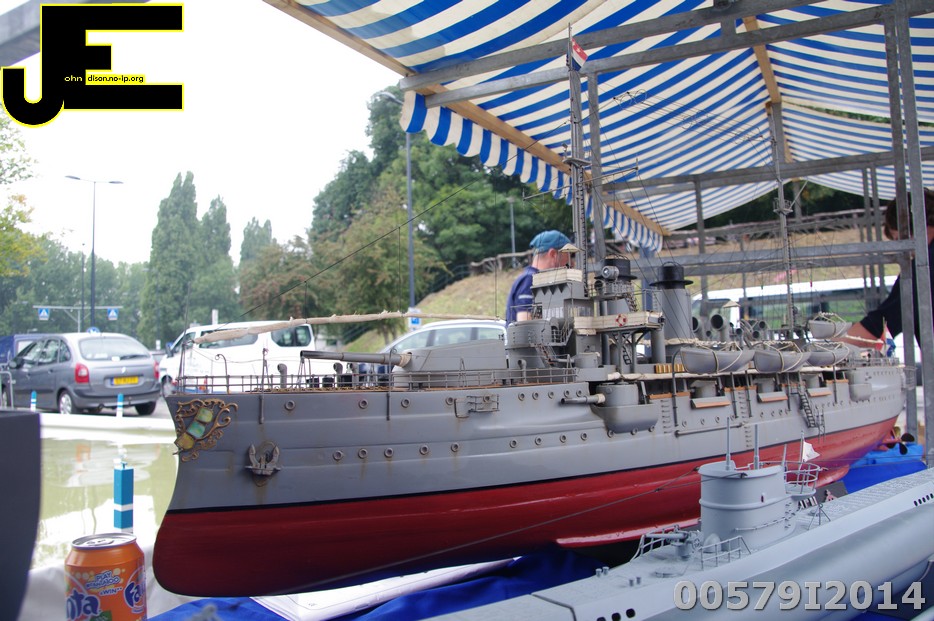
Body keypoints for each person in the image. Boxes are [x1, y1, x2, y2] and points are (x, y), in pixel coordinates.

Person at [839, 188, 934, 349]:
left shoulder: (923, 267)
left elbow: (882, 323)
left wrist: (829, 348)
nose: (904, 252)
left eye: (899, 240)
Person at [505, 230, 572, 323]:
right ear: (553, 254)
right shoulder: (530, 280)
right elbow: (524, 325)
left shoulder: (535, 280)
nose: (572, 262)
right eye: (569, 255)